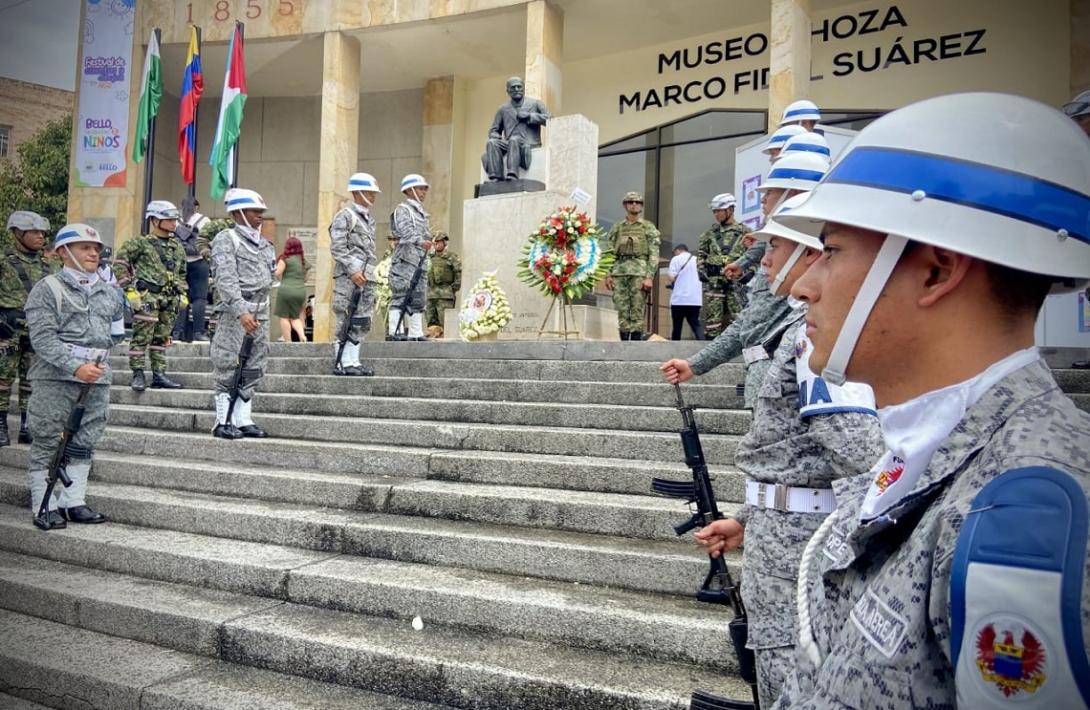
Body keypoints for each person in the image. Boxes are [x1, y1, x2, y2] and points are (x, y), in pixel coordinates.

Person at [768, 93, 1090, 708]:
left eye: (830, 252)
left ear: (938, 272)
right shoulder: (924, 450)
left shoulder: (1031, 503)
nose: (804, 285)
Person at [664, 197, 883, 710]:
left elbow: (860, 457)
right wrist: (751, 518)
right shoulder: (797, 332)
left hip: (799, 550)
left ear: (809, 256)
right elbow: (804, 456)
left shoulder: (814, 339)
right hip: (777, 532)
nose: (764, 260)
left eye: (776, 247)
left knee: (790, 678)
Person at [25, 223, 123, 529]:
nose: (94, 252)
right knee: (47, 438)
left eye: (96, 248)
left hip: (97, 378)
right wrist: (74, 364)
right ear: (64, 253)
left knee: (85, 439)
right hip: (56, 378)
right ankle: (44, 503)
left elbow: (116, 332)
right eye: (84, 247)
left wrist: (94, 364)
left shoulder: (109, 291)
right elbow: (42, 339)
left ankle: (73, 501)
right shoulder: (48, 288)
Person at [209, 188, 276, 440]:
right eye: (254, 211)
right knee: (228, 362)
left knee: (256, 363)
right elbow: (226, 279)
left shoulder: (265, 244)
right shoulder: (227, 239)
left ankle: (242, 417)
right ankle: (222, 420)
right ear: (239, 213)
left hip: (261, 310)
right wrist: (240, 310)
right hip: (237, 311)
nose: (260, 216)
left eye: (261, 212)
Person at [114, 201, 188, 392]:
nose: (174, 223)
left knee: (161, 339)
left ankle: (159, 374)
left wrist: (182, 292)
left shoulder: (177, 246)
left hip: (169, 299)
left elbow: (181, 272)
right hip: (148, 297)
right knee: (141, 338)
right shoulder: (139, 243)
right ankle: (138, 373)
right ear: (155, 220)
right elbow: (120, 264)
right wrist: (129, 290)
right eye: (168, 219)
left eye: (174, 219)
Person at [0, 210, 57, 446]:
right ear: (18, 233)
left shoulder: (50, 265)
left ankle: (27, 425)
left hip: (38, 329)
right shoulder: (4, 261)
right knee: (3, 380)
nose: (40, 236)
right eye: (34, 232)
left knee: (31, 380)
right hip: (8, 329)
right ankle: (1, 424)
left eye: (42, 232)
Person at [330, 171, 381, 374]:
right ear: (358, 192)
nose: (374, 195)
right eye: (370, 191)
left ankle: (354, 361)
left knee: (362, 319)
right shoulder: (345, 216)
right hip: (349, 277)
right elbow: (338, 247)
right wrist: (353, 270)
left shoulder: (369, 219)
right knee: (346, 316)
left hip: (367, 275)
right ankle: (342, 361)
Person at [604, 192, 660, 341]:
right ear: (625, 205)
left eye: (637, 202)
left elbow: (654, 254)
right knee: (622, 310)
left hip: (639, 272)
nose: (634, 204)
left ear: (641, 206)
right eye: (630, 202)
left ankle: (635, 344)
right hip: (619, 272)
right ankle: (623, 342)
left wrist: (649, 277)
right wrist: (608, 274)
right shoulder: (617, 227)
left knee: (636, 309)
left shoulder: (648, 227)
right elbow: (608, 252)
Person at [697, 193, 751, 339]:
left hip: (737, 282)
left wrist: (749, 273)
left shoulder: (746, 232)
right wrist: (701, 270)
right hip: (714, 283)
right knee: (712, 321)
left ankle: (738, 351)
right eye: (714, 211)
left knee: (739, 318)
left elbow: (754, 255)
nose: (716, 214)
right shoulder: (709, 234)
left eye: (719, 210)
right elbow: (701, 254)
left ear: (730, 209)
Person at [388, 174, 432, 341]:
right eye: (421, 188)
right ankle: (395, 331)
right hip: (405, 259)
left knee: (419, 296)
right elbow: (405, 231)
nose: (424, 192)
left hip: (419, 260)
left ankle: (416, 332)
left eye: (424, 189)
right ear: (409, 190)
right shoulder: (403, 210)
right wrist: (421, 241)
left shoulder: (421, 212)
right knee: (401, 294)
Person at [482, 76, 551, 182]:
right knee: (492, 142)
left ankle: (512, 174)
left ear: (523, 88)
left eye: (519, 87)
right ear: (508, 91)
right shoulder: (503, 109)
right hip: (510, 144)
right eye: (513, 88)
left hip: (529, 143)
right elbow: (494, 129)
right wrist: (494, 134)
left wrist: (530, 116)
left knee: (514, 139)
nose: (516, 89)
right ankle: (496, 176)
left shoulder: (535, 103)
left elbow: (550, 119)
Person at [173, 200, 211, 342]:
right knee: (199, 298)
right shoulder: (204, 219)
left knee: (181, 297)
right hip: (199, 261)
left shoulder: (175, 220)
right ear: (197, 207)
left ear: (181, 206)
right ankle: (198, 333)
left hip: (180, 262)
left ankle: (177, 333)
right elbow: (208, 239)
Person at [273, 237, 309, 343]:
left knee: (284, 317)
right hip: (301, 291)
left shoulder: (284, 259)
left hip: (286, 291)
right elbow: (305, 278)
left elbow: (277, 273)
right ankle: (303, 337)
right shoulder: (304, 262)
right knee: (295, 317)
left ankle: (288, 342)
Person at [426, 232, 461, 335]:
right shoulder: (429, 258)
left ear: (445, 243)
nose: (437, 244)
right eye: (435, 242)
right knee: (431, 323)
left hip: (445, 294)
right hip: (430, 294)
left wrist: (452, 289)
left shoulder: (452, 257)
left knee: (445, 322)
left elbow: (458, 273)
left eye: (439, 242)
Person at [666, 244, 701, 340]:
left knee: (677, 327)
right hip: (695, 299)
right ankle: (703, 344)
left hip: (679, 299)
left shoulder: (676, 259)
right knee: (696, 325)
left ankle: (674, 349)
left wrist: (674, 282)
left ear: (678, 251)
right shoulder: (697, 260)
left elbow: (671, 277)